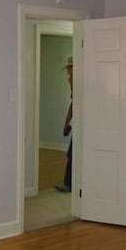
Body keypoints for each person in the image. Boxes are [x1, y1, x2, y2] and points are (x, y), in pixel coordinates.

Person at [56, 56, 73, 192]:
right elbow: (74, 104)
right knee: (72, 153)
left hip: (83, 124)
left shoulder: (74, 80)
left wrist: (66, 123)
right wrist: (66, 122)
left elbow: (74, 105)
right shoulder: (71, 80)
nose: (67, 71)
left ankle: (69, 185)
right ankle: (70, 185)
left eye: (69, 68)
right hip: (80, 122)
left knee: (72, 153)